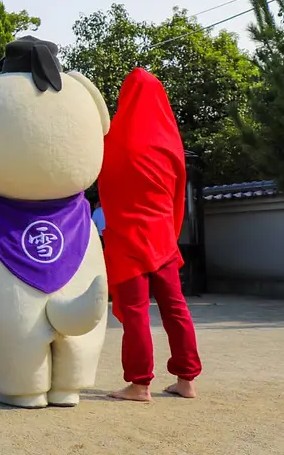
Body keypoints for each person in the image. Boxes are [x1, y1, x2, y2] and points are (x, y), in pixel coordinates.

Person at [98, 68, 202, 402]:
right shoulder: (171, 144)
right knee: (176, 308)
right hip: (162, 238)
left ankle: (140, 384)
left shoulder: (112, 142)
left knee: (136, 313)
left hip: (128, 239)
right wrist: (169, 234)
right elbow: (177, 196)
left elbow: (105, 189)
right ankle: (187, 380)